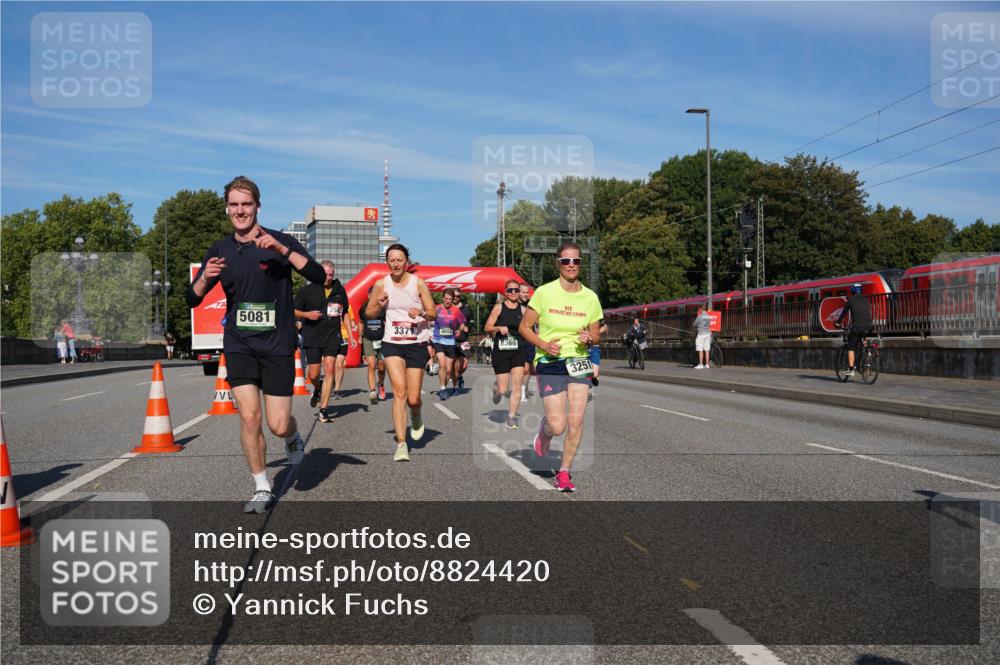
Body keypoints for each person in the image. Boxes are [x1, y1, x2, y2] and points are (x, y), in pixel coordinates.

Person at [187, 175, 325, 513]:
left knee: (278, 424)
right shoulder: (219, 250)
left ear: (257, 207)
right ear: (227, 208)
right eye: (234, 205)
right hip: (239, 344)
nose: (240, 211)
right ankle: (262, 486)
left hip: (277, 345)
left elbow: (318, 276)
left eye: (246, 204)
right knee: (249, 417)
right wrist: (205, 278)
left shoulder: (279, 241)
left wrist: (282, 250)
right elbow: (193, 298)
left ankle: (291, 436)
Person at [519, 242, 603, 492]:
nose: (571, 265)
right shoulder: (544, 293)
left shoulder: (590, 297)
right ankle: (545, 432)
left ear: (580, 264)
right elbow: (524, 328)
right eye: (566, 261)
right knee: (558, 425)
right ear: (558, 263)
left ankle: (564, 472)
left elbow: (597, 335)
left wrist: (590, 338)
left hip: (578, 361)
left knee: (576, 419)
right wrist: (543, 344)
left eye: (576, 261)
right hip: (550, 361)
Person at [365, 244, 436, 462]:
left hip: (416, 343)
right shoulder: (381, 284)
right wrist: (379, 304)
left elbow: (433, 313)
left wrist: (421, 312)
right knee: (399, 392)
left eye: (400, 259)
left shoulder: (418, 283)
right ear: (387, 262)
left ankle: (416, 414)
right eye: (392, 260)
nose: (395, 264)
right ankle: (402, 444)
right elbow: (369, 314)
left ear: (407, 261)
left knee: (413, 399)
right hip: (392, 343)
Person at [294, 260, 352, 422]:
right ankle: (317, 388)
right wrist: (307, 315)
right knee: (313, 374)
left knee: (330, 369)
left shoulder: (340, 290)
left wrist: (351, 335)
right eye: (326, 274)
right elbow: (293, 310)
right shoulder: (307, 290)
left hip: (332, 336)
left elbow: (345, 313)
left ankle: (324, 409)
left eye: (331, 275)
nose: (328, 277)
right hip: (312, 336)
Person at [485, 279, 526, 428]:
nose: (513, 293)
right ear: (506, 292)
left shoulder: (524, 310)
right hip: (501, 351)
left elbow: (530, 328)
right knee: (503, 390)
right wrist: (498, 328)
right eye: (510, 290)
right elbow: (487, 327)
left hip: (518, 351)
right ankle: (496, 390)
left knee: (517, 386)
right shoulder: (499, 307)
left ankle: (511, 417)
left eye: (516, 290)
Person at [432, 289, 468, 400]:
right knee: (442, 364)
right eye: (446, 299)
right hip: (438, 340)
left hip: (450, 342)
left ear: (453, 300)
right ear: (442, 298)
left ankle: (444, 387)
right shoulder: (436, 308)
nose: (448, 301)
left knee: (448, 370)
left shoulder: (456, 310)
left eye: (450, 299)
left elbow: (463, 322)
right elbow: (428, 318)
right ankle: (443, 389)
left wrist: (459, 330)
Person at [836, 283, 874, 377]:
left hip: (857, 326)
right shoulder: (866, 300)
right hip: (869, 326)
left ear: (852, 291)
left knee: (851, 347)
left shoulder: (850, 300)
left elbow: (843, 314)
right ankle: (868, 354)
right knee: (863, 338)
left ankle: (851, 369)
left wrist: (838, 322)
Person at [362, 285, 387, 404]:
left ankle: (380, 384)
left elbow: (387, 322)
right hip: (368, 339)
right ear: (368, 296)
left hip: (382, 340)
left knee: (381, 367)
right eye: (372, 295)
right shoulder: (364, 308)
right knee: (371, 365)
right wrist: (359, 336)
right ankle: (372, 391)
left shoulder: (383, 308)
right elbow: (360, 321)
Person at [333, 315, 358, 400]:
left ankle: (336, 390)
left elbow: (352, 322)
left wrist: (353, 326)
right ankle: (331, 381)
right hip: (330, 338)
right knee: (331, 365)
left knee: (339, 364)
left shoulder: (347, 308)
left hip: (343, 338)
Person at [518, 283, 535, 402]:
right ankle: (521, 390)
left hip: (529, 339)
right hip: (517, 340)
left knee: (528, 368)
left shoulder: (531, 305)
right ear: (518, 292)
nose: (525, 294)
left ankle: (524, 388)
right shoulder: (513, 305)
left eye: (527, 292)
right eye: (523, 292)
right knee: (522, 368)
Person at [453, 293, 473, 391]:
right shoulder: (447, 308)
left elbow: (471, 322)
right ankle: (455, 381)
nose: (456, 298)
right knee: (454, 363)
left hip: (463, 339)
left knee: (464, 364)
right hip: (450, 339)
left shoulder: (466, 308)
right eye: (454, 296)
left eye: (458, 296)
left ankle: (459, 375)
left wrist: (468, 328)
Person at [589, 318, 608, 387]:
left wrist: (595, 334)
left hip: (594, 347)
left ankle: (591, 381)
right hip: (581, 348)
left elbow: (605, 327)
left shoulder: (598, 315)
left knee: (595, 374)